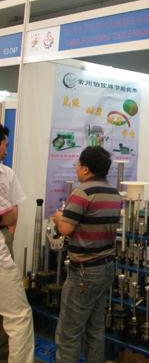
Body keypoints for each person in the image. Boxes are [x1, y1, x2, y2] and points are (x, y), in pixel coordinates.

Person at [53, 146, 122, 363]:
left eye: (78, 164)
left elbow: (65, 229)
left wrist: (58, 218)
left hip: (84, 272)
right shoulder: (114, 193)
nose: (76, 168)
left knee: (69, 333)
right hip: (106, 267)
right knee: (95, 329)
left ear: (86, 169)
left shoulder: (82, 192)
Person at [0, 123, 34, 363]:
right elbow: (9, 215)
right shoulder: (3, 174)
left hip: (4, 238)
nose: (6, 150)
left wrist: (9, 232)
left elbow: (12, 213)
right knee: (19, 316)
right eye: (5, 145)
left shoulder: (7, 173)